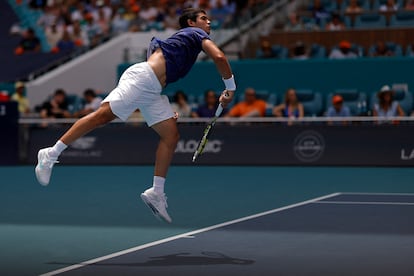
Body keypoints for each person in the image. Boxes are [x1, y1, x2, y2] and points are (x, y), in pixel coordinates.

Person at [35, 8, 235, 223]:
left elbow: (159, 71)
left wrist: (164, 112)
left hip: (151, 89)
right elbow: (219, 57)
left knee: (170, 135)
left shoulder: (181, 44)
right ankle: (51, 153)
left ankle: (156, 192)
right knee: (103, 116)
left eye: (209, 19)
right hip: (143, 80)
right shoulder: (194, 34)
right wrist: (230, 87)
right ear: (190, 22)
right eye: (204, 19)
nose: (209, 22)